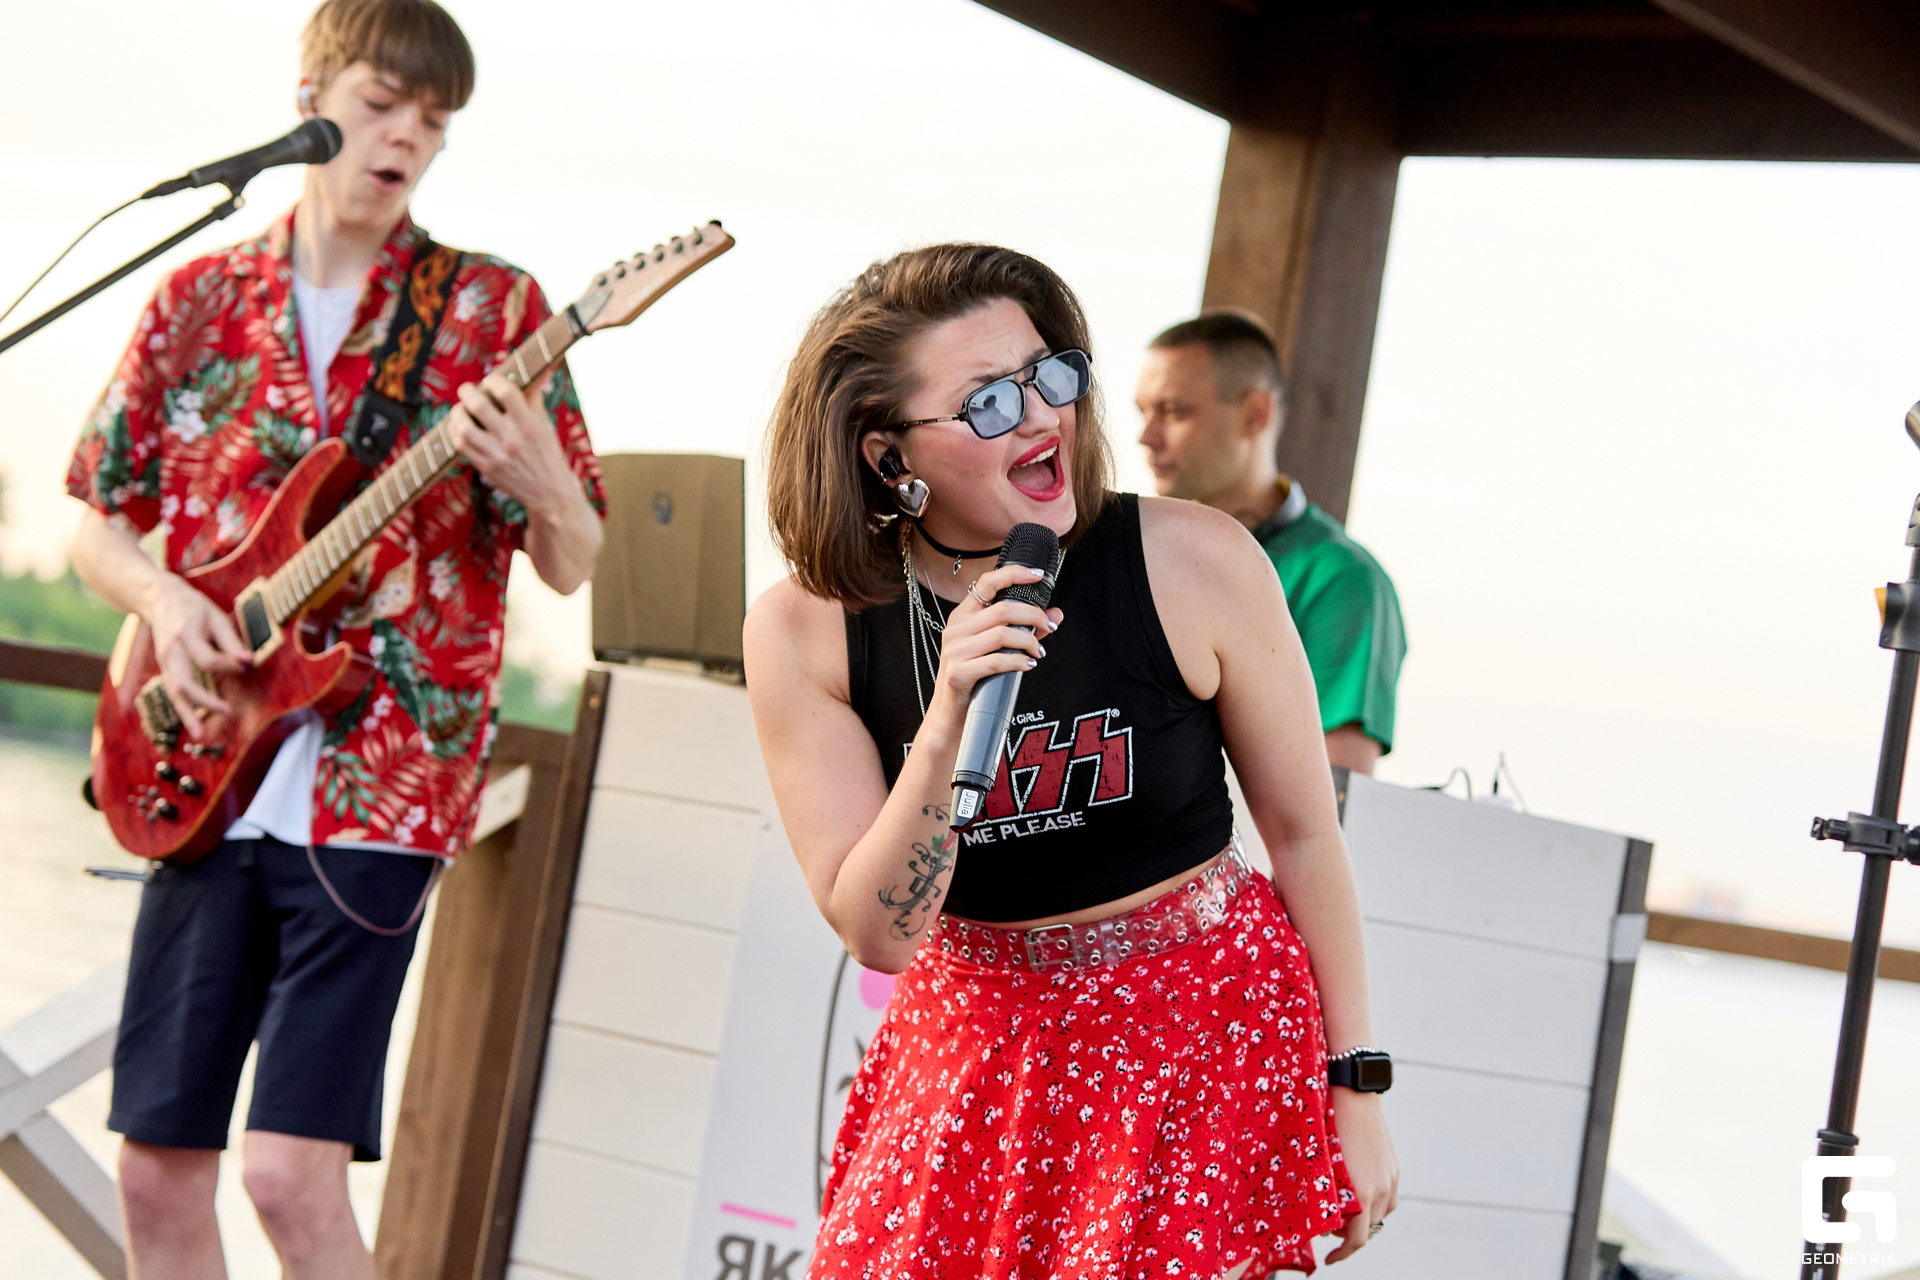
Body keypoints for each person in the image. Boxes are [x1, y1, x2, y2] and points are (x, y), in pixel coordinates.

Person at [63, 2, 605, 1274]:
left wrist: (539, 474)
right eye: (379, 103)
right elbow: (98, 522)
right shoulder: (199, 299)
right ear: (309, 96)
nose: (405, 136)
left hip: (382, 785)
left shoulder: (493, 308)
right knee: (155, 1171)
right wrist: (165, 604)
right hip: (199, 763)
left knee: (288, 1176)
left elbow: (573, 559)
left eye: (434, 120)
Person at [746, 244, 1397, 1278]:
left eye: (1050, 374)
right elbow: (878, 932)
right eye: (989, 402)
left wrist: (1354, 1086)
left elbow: (1307, 837)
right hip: (971, 1048)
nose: (1044, 416)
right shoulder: (805, 629)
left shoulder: (1197, 559)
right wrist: (947, 716)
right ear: (885, 453)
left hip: (1198, 1034)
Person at [1136, 311, 1405, 775]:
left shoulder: (1343, 582)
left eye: (1174, 411)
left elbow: (1334, 792)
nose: (1146, 436)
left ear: (1255, 414)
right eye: (1143, 412)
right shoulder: (1134, 552)